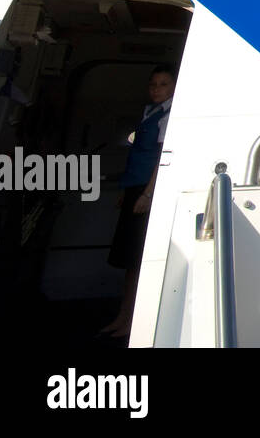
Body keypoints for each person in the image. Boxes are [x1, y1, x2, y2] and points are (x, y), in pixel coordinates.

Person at [99, 64, 176, 337]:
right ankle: (124, 317)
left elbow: (162, 158)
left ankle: (133, 322)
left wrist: (147, 193)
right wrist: (127, 188)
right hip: (134, 187)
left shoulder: (169, 116)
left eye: (163, 84)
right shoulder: (150, 112)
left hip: (147, 190)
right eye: (153, 84)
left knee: (138, 258)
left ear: (174, 87)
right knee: (129, 260)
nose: (157, 89)